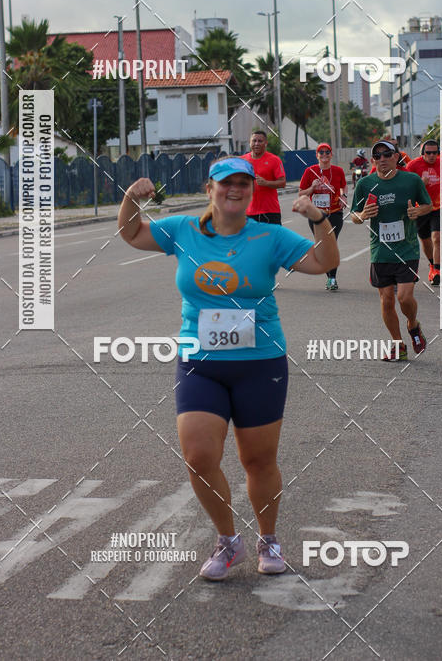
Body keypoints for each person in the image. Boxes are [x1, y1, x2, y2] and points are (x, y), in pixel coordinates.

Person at [118, 157, 339, 580]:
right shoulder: (183, 230)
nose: (234, 189)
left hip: (260, 363)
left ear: (252, 190)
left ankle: (268, 539)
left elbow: (323, 263)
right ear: (209, 188)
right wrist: (131, 198)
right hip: (199, 363)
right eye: (225, 182)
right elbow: (131, 233)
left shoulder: (270, 236)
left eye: (243, 182)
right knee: (199, 457)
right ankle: (227, 540)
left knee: (258, 460)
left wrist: (319, 219)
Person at [350, 139, 433, 361]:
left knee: (404, 298)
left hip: (407, 249)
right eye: (377, 156)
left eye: (387, 154)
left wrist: (418, 212)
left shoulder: (411, 180)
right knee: (387, 300)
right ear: (372, 160)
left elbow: (428, 205)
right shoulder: (365, 184)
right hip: (381, 251)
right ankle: (398, 344)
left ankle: (413, 325)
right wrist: (362, 215)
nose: (382, 159)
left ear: (397, 157)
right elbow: (354, 215)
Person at [299, 142, 347, 290]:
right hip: (316, 215)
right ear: (317, 155)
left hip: (335, 212)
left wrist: (344, 196)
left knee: (331, 244)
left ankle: (332, 279)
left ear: (331, 155)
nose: (324, 155)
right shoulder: (309, 171)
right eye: (321, 152)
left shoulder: (338, 171)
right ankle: (330, 277)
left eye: (327, 152)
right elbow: (301, 193)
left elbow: (344, 186)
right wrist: (312, 187)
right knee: (322, 246)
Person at [406, 140, 442, 285]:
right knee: (425, 240)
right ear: (422, 153)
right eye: (428, 153)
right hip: (420, 208)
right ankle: (432, 265)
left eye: (435, 152)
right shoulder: (413, 165)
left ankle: (438, 270)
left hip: (438, 207)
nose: (432, 155)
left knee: (437, 237)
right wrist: (420, 183)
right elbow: (406, 187)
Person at [241, 131, 286, 224]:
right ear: (250, 142)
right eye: (254, 141)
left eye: (260, 141)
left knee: (273, 234)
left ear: (266, 143)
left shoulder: (274, 160)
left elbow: (282, 182)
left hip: (270, 211)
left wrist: (266, 183)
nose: (256, 144)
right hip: (248, 212)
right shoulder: (242, 161)